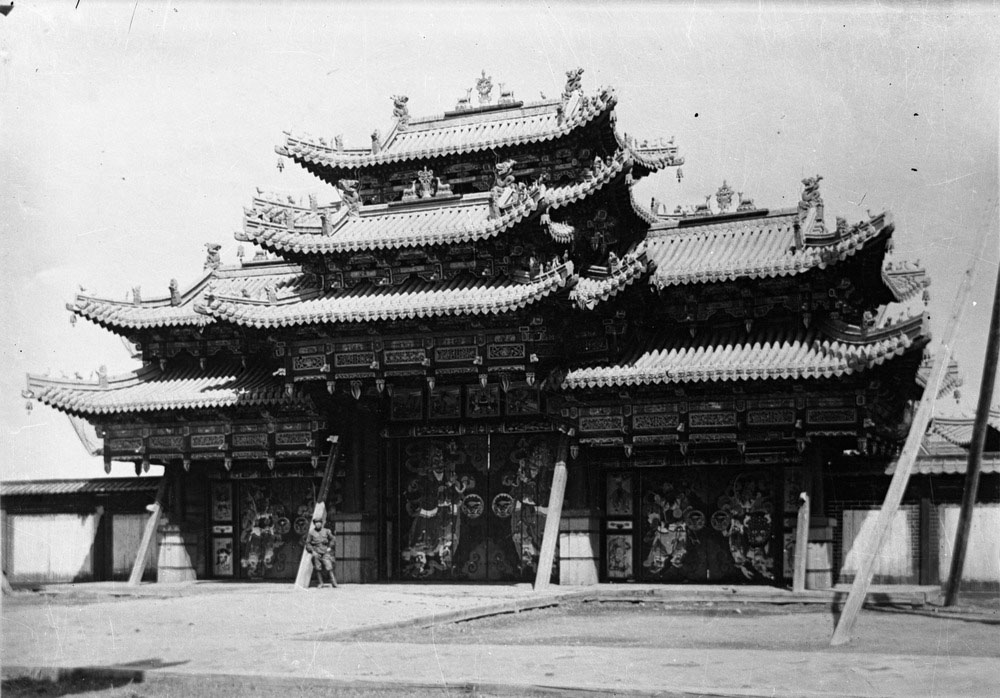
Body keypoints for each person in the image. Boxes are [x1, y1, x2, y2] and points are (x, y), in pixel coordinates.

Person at [305, 517, 337, 588]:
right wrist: (312, 551)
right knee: (318, 568)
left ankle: (334, 582)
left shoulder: (326, 531)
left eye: (319, 523)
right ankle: (320, 583)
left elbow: (333, 539)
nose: (318, 524)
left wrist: (330, 547)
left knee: (329, 567)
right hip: (316, 552)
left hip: (325, 552)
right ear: (314, 524)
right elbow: (307, 543)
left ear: (321, 523)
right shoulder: (311, 533)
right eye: (316, 523)